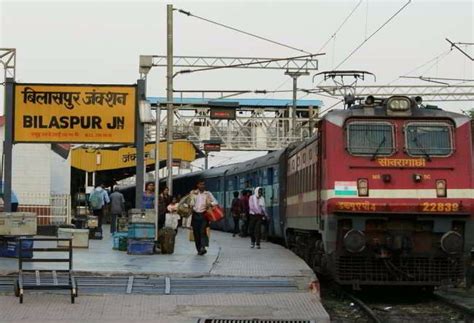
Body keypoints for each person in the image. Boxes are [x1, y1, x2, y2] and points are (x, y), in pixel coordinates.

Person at [190, 179, 218, 255]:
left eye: (203, 184)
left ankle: (203, 247)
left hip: (204, 214)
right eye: (200, 184)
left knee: (202, 231)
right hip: (195, 214)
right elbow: (188, 202)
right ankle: (199, 248)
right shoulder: (193, 193)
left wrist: (210, 204)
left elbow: (215, 202)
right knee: (196, 233)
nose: (202, 186)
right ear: (197, 185)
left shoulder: (208, 194)